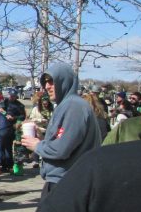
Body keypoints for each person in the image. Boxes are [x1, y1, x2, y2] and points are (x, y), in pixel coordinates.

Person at [20, 63, 101, 202]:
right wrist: (42, 138)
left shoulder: (74, 106)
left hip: (68, 184)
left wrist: (37, 146)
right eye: (45, 82)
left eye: (51, 81)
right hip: (63, 181)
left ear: (64, 81)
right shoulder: (67, 105)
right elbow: (62, 140)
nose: (47, 86)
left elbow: (62, 149)